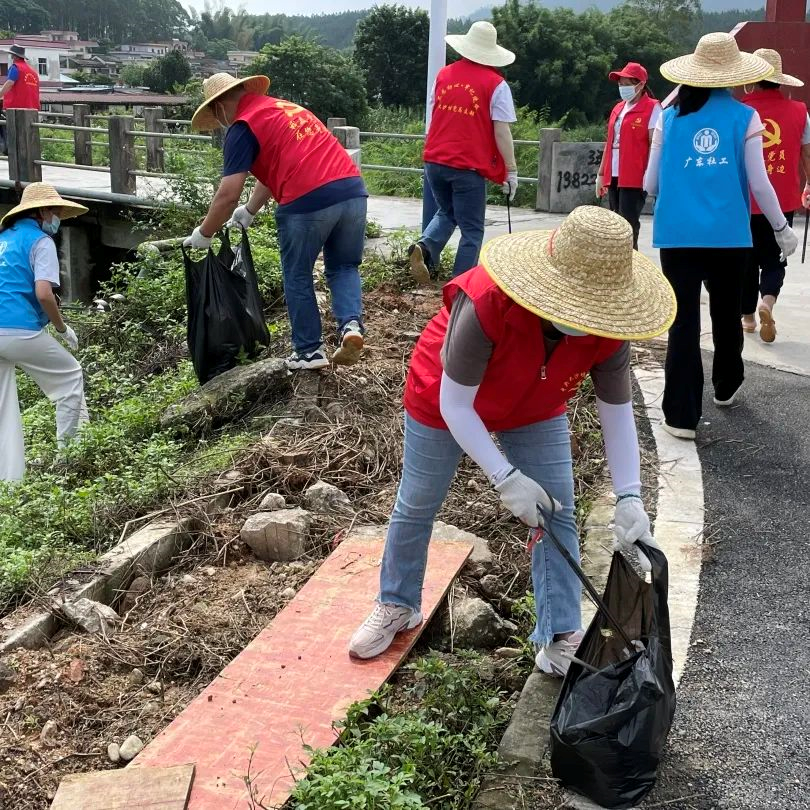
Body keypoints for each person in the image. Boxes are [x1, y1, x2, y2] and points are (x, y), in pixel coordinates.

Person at [349, 206, 676, 675]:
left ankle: (561, 635)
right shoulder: (487, 301)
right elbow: (457, 406)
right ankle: (397, 602)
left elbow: (618, 413)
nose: (586, 318)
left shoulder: (610, 329)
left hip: (535, 404)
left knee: (555, 509)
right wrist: (504, 477)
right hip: (444, 398)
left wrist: (629, 496)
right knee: (418, 502)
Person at [644, 33, 799, 441]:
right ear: (733, 76)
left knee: (682, 324)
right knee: (727, 313)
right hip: (730, 236)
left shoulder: (667, 116)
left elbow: (649, 183)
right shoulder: (743, 117)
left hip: (677, 237)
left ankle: (680, 416)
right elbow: (760, 184)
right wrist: (782, 229)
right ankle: (726, 387)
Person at [185, 73, 369, 371]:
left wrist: (204, 233)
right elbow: (280, 165)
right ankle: (350, 326)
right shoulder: (285, 109)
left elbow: (227, 194)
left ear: (218, 106)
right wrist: (250, 210)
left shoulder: (242, 128)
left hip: (306, 200)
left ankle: (309, 351)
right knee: (344, 266)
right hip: (352, 191)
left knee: (297, 275)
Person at [408, 22, 518, 284]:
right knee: (472, 229)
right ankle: (460, 284)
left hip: (434, 160)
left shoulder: (444, 75)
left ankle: (424, 248)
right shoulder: (496, 85)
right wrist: (511, 169)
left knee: (447, 212)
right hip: (467, 167)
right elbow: (501, 131)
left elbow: (433, 117)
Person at [0, 183, 88, 481]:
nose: (57, 217)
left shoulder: (4, 239)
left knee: (4, 405)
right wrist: (62, 328)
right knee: (70, 376)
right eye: (54, 210)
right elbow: (44, 294)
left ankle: (10, 482)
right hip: (17, 329)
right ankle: (70, 459)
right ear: (40, 212)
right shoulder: (40, 241)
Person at [740, 49, 810, 343]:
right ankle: (767, 302)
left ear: (752, 79)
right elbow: (807, 153)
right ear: (780, 81)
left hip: (743, 201)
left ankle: (748, 319)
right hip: (781, 202)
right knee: (774, 259)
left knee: (744, 261)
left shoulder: (740, 111)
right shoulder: (800, 112)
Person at [597, 62, 661, 249]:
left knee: (628, 222)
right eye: (620, 84)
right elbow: (609, 143)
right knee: (615, 221)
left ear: (640, 85)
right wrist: (601, 174)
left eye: (626, 84)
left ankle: (631, 262)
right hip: (614, 172)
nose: (622, 88)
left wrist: (651, 174)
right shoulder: (618, 109)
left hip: (635, 175)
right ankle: (616, 262)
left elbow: (654, 144)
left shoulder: (652, 108)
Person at [0, 45, 40, 110]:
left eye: (11, 55)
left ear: (14, 56)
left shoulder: (15, 67)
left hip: (17, 108)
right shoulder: (34, 73)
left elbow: (9, 83)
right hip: (33, 108)